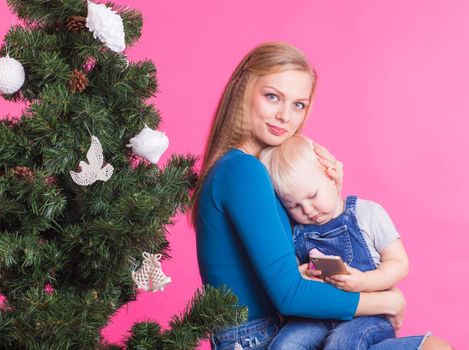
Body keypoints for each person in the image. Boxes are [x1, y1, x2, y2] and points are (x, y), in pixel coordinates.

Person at [192, 41, 452, 350]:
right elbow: (290, 294)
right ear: (243, 90)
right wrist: (387, 301)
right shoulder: (242, 171)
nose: (284, 116)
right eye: (272, 97)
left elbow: (294, 252)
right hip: (260, 339)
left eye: (298, 105)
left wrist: (333, 197)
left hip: (280, 330)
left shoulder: (250, 172)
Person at [259, 133, 419, 349]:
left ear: (331, 176)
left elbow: (399, 263)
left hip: (368, 315)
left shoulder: (367, 214)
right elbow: (290, 278)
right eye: (294, 206)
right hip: (318, 313)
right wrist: (303, 274)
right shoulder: (296, 231)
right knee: (285, 345)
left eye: (312, 196)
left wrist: (366, 281)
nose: (307, 210)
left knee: (341, 343)